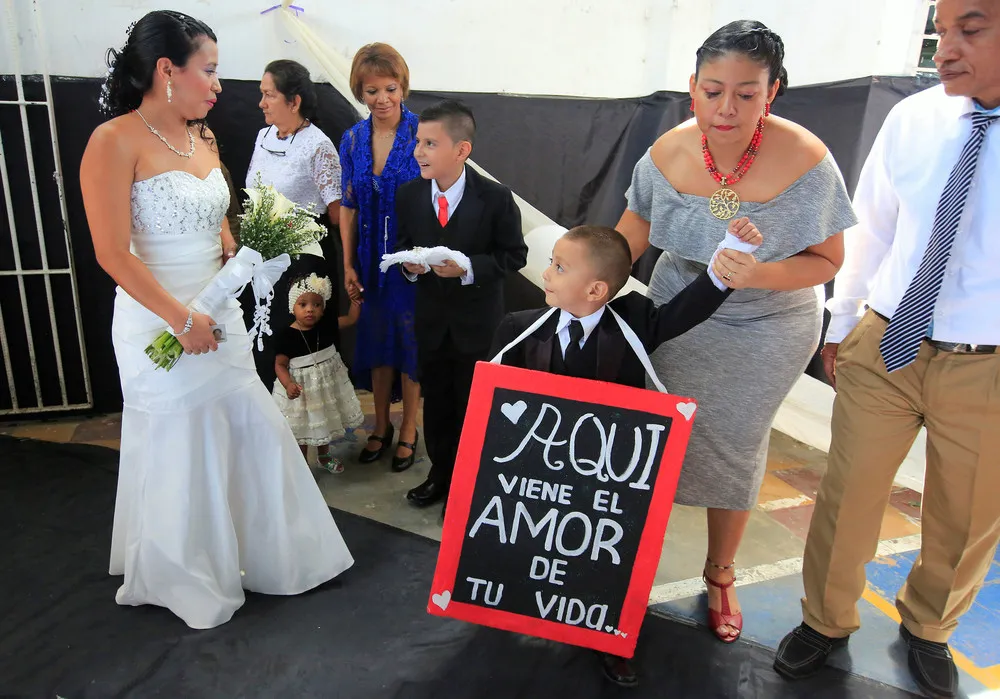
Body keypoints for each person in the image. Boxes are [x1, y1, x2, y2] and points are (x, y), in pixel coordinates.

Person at [80, 10, 353, 629]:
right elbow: (111, 253)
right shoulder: (113, 140)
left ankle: (267, 557)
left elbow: (218, 221)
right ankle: (187, 569)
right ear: (165, 70)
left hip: (220, 314)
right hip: (159, 319)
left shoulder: (201, 138)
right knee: (183, 438)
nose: (218, 86)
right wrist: (181, 319)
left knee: (248, 424)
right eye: (209, 70)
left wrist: (240, 252)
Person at [773, 1, 1000, 696]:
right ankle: (825, 620)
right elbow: (870, 224)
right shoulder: (915, 117)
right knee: (848, 493)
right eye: (940, 28)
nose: (945, 47)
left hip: (988, 364)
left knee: (968, 515)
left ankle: (929, 627)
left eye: (971, 27)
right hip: (889, 336)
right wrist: (842, 324)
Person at [615, 20, 857, 643]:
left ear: (771, 91)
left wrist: (757, 273)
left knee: (734, 445)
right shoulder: (665, 153)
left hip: (767, 323)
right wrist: (580, 282)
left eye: (746, 94)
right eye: (713, 89)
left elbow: (828, 261)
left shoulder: (807, 160)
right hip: (676, 314)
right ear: (691, 86)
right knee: (655, 441)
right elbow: (627, 241)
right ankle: (627, 568)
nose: (727, 107)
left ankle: (719, 574)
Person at [489, 224, 760, 686]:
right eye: (551, 261)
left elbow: (686, 310)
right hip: (542, 477)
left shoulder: (634, 322)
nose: (547, 273)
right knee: (537, 546)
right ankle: (522, 608)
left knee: (609, 561)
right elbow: (493, 409)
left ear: (596, 290)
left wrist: (730, 253)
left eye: (559, 266)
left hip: (609, 482)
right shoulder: (518, 328)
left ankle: (610, 637)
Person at [395, 100, 528, 509]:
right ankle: (441, 473)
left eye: (430, 143)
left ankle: (475, 483)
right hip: (432, 322)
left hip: (478, 325)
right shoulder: (409, 195)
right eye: (418, 142)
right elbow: (401, 248)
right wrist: (411, 267)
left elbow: (514, 255)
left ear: (461, 150)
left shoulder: (496, 198)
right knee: (437, 402)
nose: (418, 151)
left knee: (476, 405)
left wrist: (468, 268)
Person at [339, 43, 421, 470]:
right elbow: (348, 205)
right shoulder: (352, 140)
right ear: (360, 92)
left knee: (409, 343)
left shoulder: (424, 133)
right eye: (372, 91)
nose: (382, 99)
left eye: (391, 88)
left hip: (411, 261)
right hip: (370, 257)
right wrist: (349, 263)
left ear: (403, 87)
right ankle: (381, 426)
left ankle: (409, 428)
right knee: (376, 340)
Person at [246, 59, 344, 386]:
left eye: (269, 95)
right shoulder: (261, 136)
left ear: (294, 101)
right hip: (264, 258)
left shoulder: (317, 144)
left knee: (298, 343)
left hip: (304, 261)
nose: (261, 103)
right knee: (266, 337)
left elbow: (336, 211)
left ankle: (305, 429)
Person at [273, 273, 364, 473]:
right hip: (302, 390)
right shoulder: (287, 335)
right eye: (303, 304)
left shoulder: (326, 326)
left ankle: (324, 456)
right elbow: (280, 364)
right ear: (292, 307)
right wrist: (288, 384)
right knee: (303, 428)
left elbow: (350, 319)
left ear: (323, 309)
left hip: (326, 387)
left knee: (325, 422)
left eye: (316, 305)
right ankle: (302, 465)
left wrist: (355, 301)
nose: (310, 310)